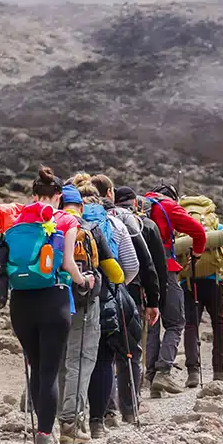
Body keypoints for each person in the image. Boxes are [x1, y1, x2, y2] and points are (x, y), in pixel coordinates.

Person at [4, 167, 92, 444]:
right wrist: (84, 280)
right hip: (54, 299)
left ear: (33, 195)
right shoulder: (66, 219)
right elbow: (68, 264)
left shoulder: (16, 218)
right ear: (58, 195)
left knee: (36, 365)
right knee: (50, 370)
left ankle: (39, 431)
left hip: (20, 300)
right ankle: (44, 435)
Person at [93, 175, 161, 425]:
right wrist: (151, 298)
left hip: (87, 292)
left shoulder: (79, 220)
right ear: (109, 192)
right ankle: (130, 409)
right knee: (128, 350)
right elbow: (141, 262)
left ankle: (105, 411)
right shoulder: (123, 219)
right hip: (124, 292)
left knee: (100, 354)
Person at [56, 184, 116, 444]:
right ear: (81, 207)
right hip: (83, 303)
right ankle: (71, 423)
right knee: (80, 360)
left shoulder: (47, 225)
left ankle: (51, 421)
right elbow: (116, 271)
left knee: (58, 361)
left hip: (49, 300)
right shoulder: (90, 228)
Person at [139, 184, 206, 398]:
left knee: (151, 323)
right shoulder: (169, 206)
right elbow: (199, 232)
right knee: (176, 323)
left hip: (139, 271)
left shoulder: (139, 205)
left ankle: (150, 377)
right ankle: (163, 371)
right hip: (165, 270)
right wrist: (196, 254)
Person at [178, 195, 223, 385]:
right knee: (218, 324)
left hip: (189, 282)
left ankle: (193, 372)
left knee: (191, 325)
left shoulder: (182, 227)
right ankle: (218, 370)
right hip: (213, 282)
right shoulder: (217, 227)